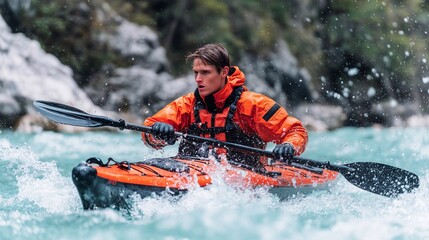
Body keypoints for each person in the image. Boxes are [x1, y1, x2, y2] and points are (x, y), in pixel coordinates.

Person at [142, 43, 308, 167]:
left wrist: (289, 146)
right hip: (192, 175)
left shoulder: (253, 105)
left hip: (245, 178)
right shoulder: (185, 105)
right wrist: (157, 134)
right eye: (196, 72)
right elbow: (148, 131)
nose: (198, 79)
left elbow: (295, 131)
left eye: (205, 72)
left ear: (224, 72)